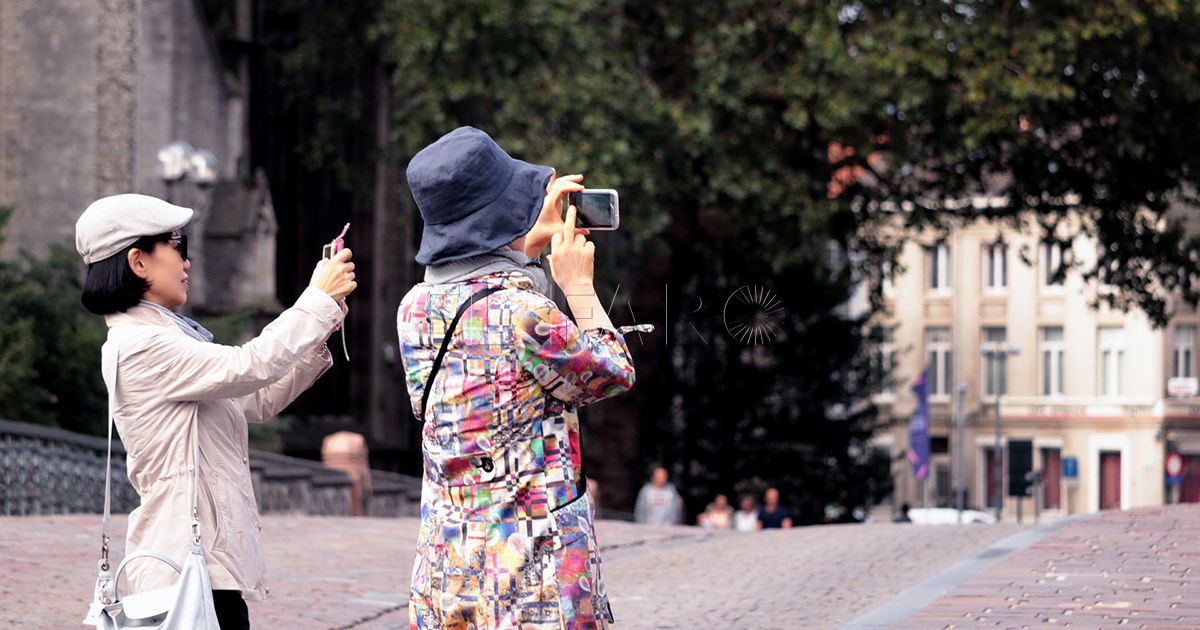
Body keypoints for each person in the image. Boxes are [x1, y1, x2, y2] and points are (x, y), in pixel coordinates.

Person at [75, 193, 356, 629]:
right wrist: (315, 301)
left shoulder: (172, 337)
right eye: (177, 246)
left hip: (207, 568)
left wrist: (320, 330)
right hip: (184, 570)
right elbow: (249, 364)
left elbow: (253, 399)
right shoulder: (140, 345)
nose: (187, 262)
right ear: (138, 262)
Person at [397, 127, 636, 628]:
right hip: (531, 574)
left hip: (449, 567)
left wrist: (521, 246)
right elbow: (612, 373)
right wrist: (577, 284)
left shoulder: (412, 309)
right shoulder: (525, 314)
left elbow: (477, 294)